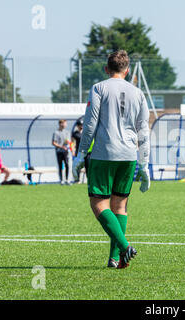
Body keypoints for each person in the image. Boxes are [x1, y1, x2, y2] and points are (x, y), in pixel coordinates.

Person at [73, 50, 150, 269]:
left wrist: (80, 155)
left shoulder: (99, 88)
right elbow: (143, 131)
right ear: (128, 71)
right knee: (120, 205)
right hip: (128, 156)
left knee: (98, 204)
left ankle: (125, 248)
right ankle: (115, 259)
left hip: (104, 153)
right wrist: (144, 163)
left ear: (106, 69)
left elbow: (89, 125)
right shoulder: (138, 93)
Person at [52, 119, 71, 185]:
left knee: (67, 165)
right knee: (60, 165)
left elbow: (69, 141)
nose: (65, 125)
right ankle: (61, 180)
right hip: (59, 151)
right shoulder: (56, 132)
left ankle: (67, 180)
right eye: (64, 123)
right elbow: (54, 143)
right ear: (60, 124)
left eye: (66, 123)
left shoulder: (67, 132)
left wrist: (68, 143)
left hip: (66, 151)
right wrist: (61, 146)